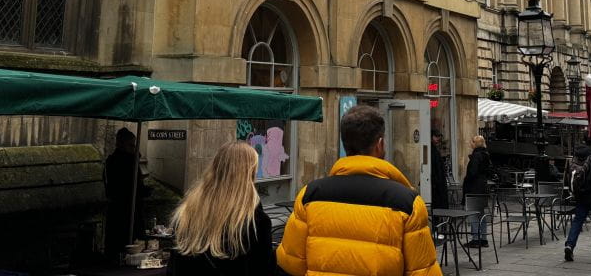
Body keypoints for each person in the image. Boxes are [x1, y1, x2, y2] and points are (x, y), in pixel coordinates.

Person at [277, 105, 442, 276]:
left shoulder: (309, 195)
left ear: (345, 144)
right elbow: (424, 272)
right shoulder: (408, 204)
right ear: (380, 144)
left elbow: (290, 264)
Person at [167, 142, 275, 275]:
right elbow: (264, 269)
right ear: (249, 175)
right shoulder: (256, 223)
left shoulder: (186, 213)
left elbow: (175, 266)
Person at [104, 127, 150, 258]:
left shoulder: (116, 161)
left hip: (125, 209)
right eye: (131, 145)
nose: (133, 147)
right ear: (122, 144)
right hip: (126, 211)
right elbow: (131, 187)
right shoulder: (124, 161)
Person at [462, 135, 492, 248]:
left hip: (474, 189)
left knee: (473, 214)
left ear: (475, 143)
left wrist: (467, 180)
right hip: (482, 188)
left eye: (472, 142)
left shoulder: (476, 156)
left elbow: (472, 173)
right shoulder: (486, 155)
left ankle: (476, 239)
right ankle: (483, 238)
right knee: (481, 213)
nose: (470, 143)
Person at [430, 129, 449, 211]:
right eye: (436, 136)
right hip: (436, 185)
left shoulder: (434, 150)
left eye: (439, 137)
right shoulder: (431, 150)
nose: (438, 139)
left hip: (437, 184)